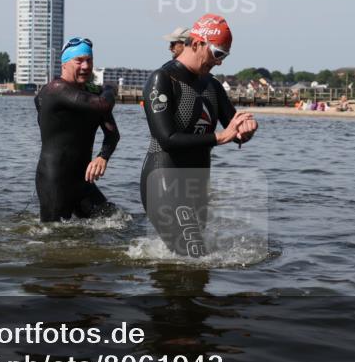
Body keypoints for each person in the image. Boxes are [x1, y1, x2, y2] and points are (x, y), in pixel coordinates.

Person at [141, 14, 258, 257]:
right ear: (196, 44)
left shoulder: (212, 85)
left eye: (224, 56)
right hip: (164, 179)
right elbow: (166, 138)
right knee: (193, 255)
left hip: (197, 184)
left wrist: (246, 130)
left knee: (195, 264)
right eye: (217, 53)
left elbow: (233, 130)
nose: (220, 62)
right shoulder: (162, 79)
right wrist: (219, 138)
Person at [35, 37, 120, 222]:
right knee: (52, 239)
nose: (85, 66)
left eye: (89, 60)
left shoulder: (91, 95)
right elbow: (104, 104)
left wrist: (103, 156)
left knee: (116, 221)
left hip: (82, 182)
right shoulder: (55, 89)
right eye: (79, 60)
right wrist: (110, 89)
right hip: (55, 180)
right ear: (64, 64)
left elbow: (113, 135)